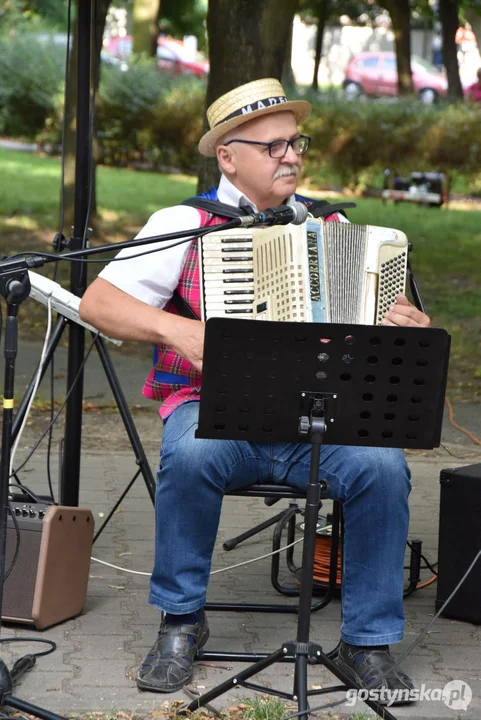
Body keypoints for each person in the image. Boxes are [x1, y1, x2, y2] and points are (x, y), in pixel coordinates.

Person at [79, 78, 430, 700]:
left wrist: (406, 327)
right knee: (189, 454)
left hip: (320, 419)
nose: (292, 156)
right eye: (274, 147)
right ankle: (181, 621)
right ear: (228, 155)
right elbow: (99, 303)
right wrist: (178, 330)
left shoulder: (335, 227)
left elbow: (385, 328)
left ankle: (367, 644)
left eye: (297, 143)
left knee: (382, 465)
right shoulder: (185, 223)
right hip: (214, 411)